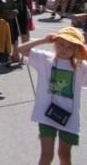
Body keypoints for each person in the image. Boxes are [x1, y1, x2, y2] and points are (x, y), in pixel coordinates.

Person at [18, 27, 87, 165]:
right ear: (55, 43)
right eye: (61, 44)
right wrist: (44, 40)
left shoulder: (81, 67)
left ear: (76, 49)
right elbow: (21, 49)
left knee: (64, 155)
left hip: (69, 117)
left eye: (70, 47)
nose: (64, 49)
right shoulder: (45, 59)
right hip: (46, 114)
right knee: (46, 155)